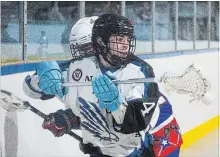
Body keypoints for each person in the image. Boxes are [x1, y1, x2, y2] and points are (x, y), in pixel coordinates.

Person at [23, 14, 182, 157]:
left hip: (158, 133)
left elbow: (128, 123)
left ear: (100, 42)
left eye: (87, 48)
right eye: (78, 49)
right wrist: (41, 77)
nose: (82, 55)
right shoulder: (84, 66)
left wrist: (71, 120)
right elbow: (32, 88)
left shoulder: (131, 72)